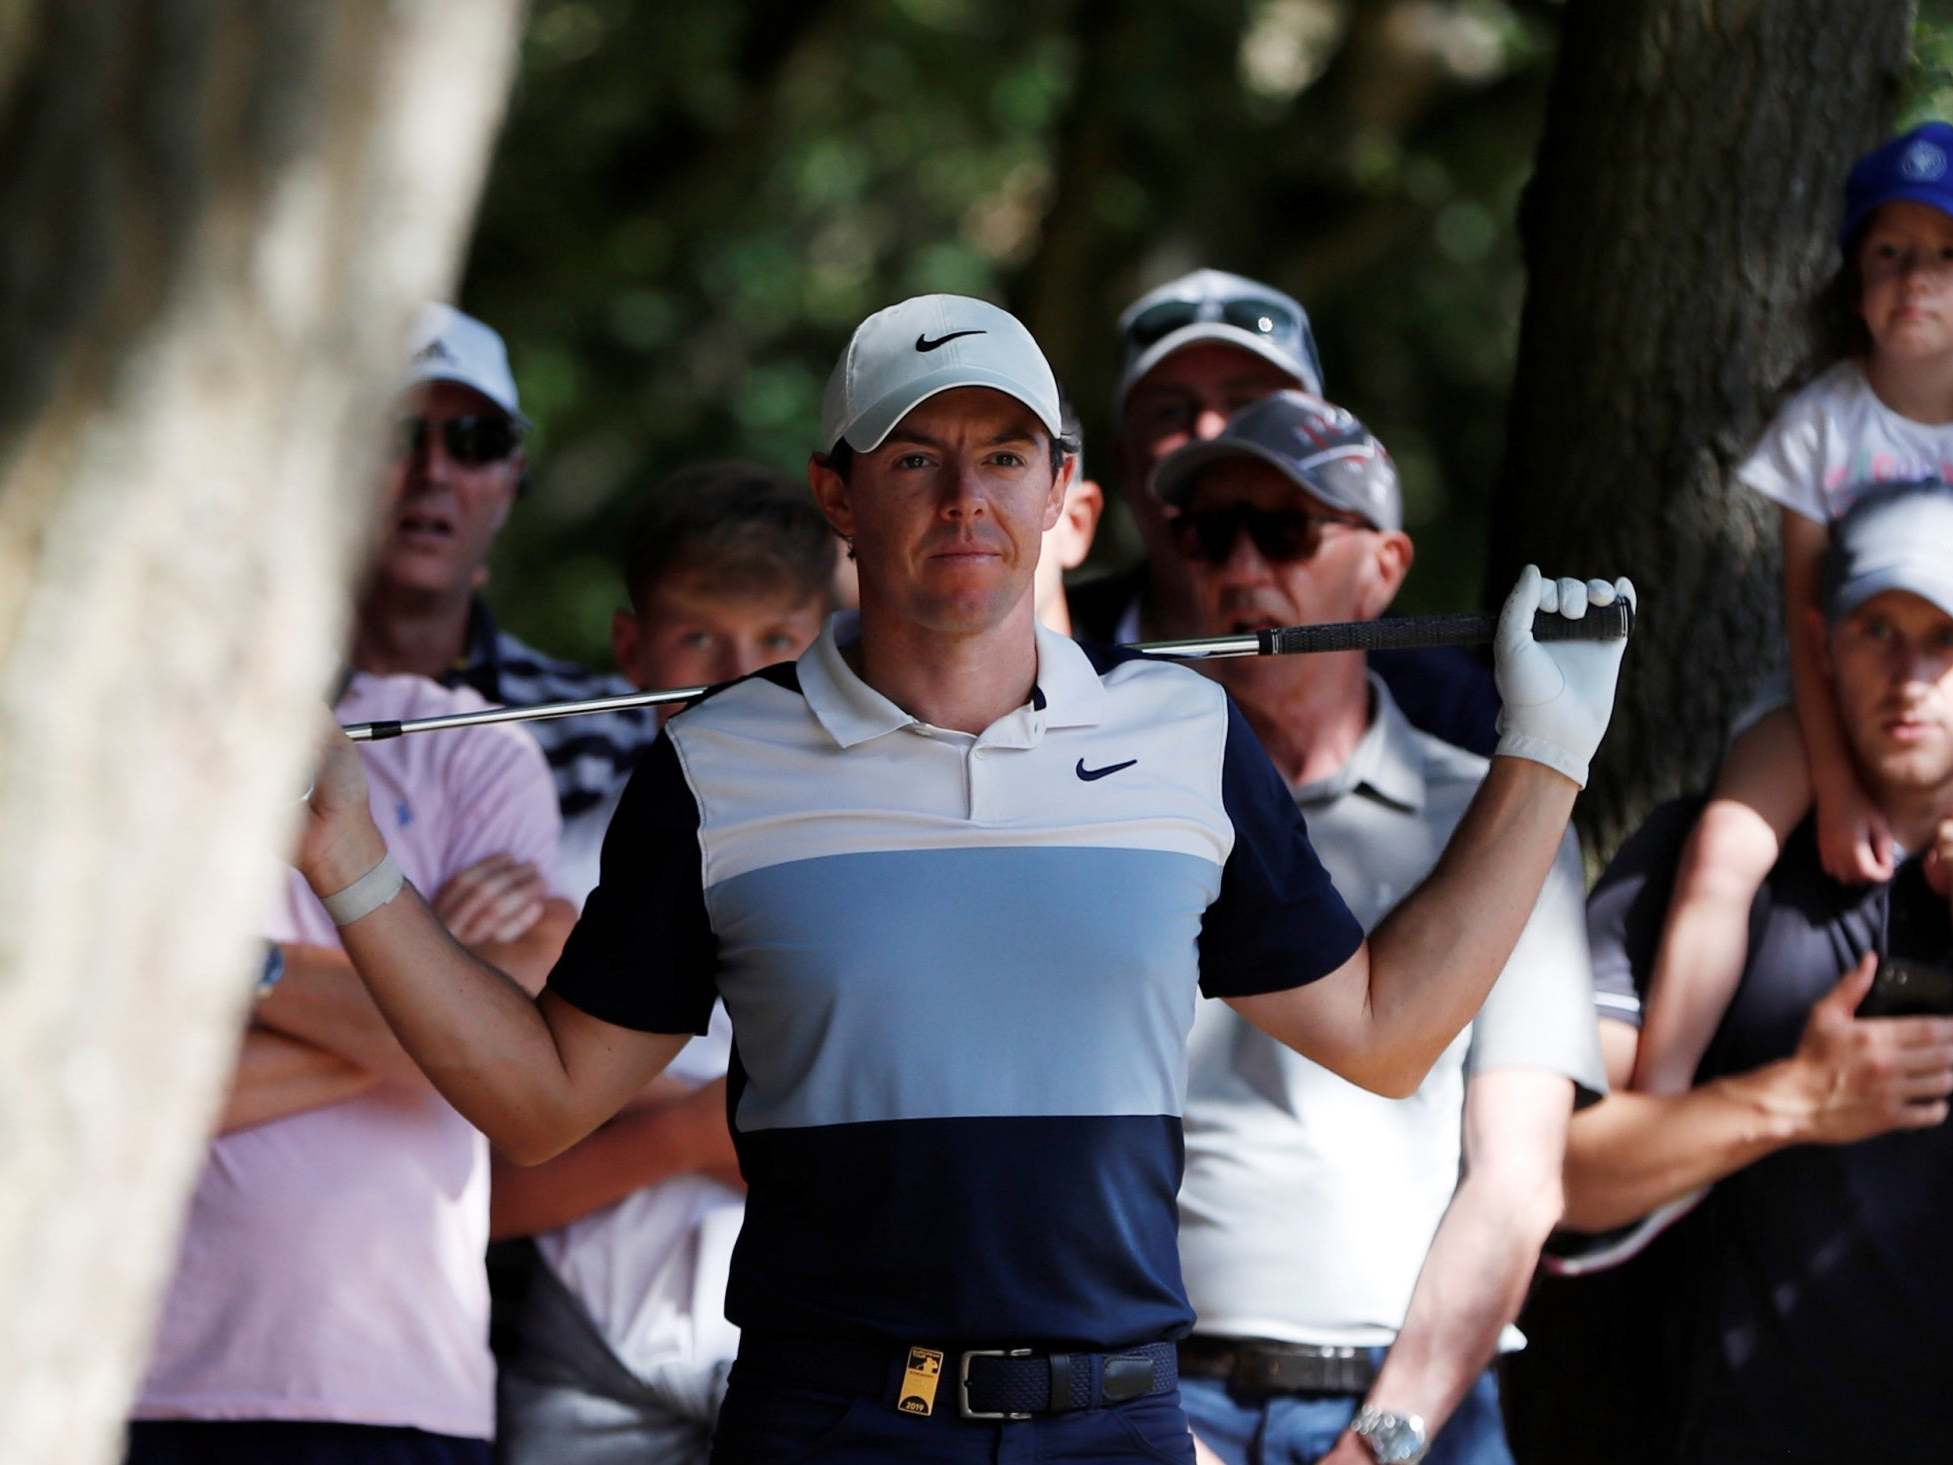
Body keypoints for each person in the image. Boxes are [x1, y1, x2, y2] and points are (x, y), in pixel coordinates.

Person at [291, 293, 1631, 1465]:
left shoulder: (1181, 734)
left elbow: (1388, 1035)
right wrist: (349, 860)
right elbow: (539, 1100)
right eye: (916, 457)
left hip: (1114, 1425)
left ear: (1058, 492)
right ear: (837, 497)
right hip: (831, 1421)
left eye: (1001, 457)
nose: (962, 498)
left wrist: (1547, 752)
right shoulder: (717, 760)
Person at [1155, 393, 1602, 1465]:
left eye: (1289, 528)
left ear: (1385, 567)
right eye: (1211, 532)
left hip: (1416, 1417)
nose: (1242, 565)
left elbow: (1520, 1177)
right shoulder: (1126, 805)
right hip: (1155, 1402)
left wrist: (1378, 1447)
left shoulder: (1498, 816)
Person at [127, 488, 578, 1459]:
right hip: (142, 1377)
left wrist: (231, 978)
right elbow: (117, 1101)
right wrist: (440, 997)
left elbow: (522, 1056)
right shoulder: (117, 759)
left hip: (406, 1390)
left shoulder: (471, 745)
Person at [1553, 480, 1953, 1464]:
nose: (1912, 676)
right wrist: (1797, 1099)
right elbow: (1565, 1173)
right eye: (1878, 631)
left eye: (1946, 638)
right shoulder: (1699, 855)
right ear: (1819, 647)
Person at [492, 462, 837, 1465]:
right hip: (588, 1370)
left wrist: (610, 1119)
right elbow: (488, 1192)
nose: (737, 679)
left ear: (835, 647)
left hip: (824, 1363)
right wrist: (700, 1128)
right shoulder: (550, 878)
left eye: (776, 640)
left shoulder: (884, 875)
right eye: (698, 638)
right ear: (631, 648)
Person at [1635, 120, 1953, 1094]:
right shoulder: (1822, 424)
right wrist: (1836, 780)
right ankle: (1659, 1096)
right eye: (1889, 254)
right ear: (1852, 278)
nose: (1915, 279)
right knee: (1722, 851)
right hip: (1822, 688)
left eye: (1945, 253)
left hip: (1946, 694)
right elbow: (1805, 623)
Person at [1071, 268, 1501, 754]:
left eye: (1250, 408)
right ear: (1123, 463)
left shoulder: (1443, 698)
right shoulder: (1052, 654)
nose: (1212, 430)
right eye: (1171, 411)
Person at [352, 303, 653, 821]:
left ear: (512, 481)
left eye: (477, 442)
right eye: (398, 436)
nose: (435, 472)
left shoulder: (604, 730)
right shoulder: (233, 700)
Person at [1034, 391, 1106, 636]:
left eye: (1005, 461)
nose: (969, 500)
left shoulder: (1163, 676)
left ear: (1076, 522)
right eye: (917, 462)